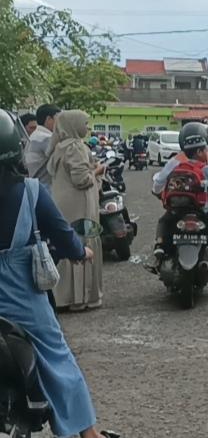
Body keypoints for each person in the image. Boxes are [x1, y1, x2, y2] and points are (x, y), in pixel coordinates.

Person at [0, 111, 119, 438]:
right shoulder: (30, 192)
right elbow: (64, 235)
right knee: (58, 360)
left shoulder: (55, 153)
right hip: (21, 305)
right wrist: (81, 253)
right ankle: (87, 433)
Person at [148, 123, 208, 275]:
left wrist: (157, 192)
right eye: (204, 148)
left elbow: (159, 182)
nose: (206, 151)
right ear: (200, 149)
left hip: (177, 209)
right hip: (203, 209)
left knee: (163, 222)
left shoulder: (174, 161)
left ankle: (159, 251)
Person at [46, 110, 104, 312]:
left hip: (63, 203)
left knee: (67, 242)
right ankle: (79, 297)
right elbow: (82, 180)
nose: (87, 127)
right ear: (73, 124)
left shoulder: (59, 146)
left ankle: (63, 295)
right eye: (85, 123)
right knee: (82, 241)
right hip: (78, 205)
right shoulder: (75, 147)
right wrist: (97, 170)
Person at [24, 104, 60, 184]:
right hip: (46, 185)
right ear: (49, 119)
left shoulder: (36, 135)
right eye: (58, 119)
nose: (60, 123)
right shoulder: (45, 138)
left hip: (37, 183)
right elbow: (62, 161)